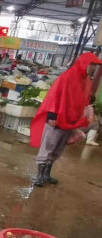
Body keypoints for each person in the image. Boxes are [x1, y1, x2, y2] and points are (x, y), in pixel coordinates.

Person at [30, 53, 101, 187]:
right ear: (84, 64)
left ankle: (46, 174)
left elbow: (83, 100)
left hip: (70, 121)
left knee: (58, 148)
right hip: (57, 119)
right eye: (92, 65)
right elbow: (54, 95)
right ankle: (39, 176)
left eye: (95, 66)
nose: (93, 69)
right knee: (48, 146)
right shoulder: (67, 77)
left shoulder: (86, 81)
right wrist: (52, 115)